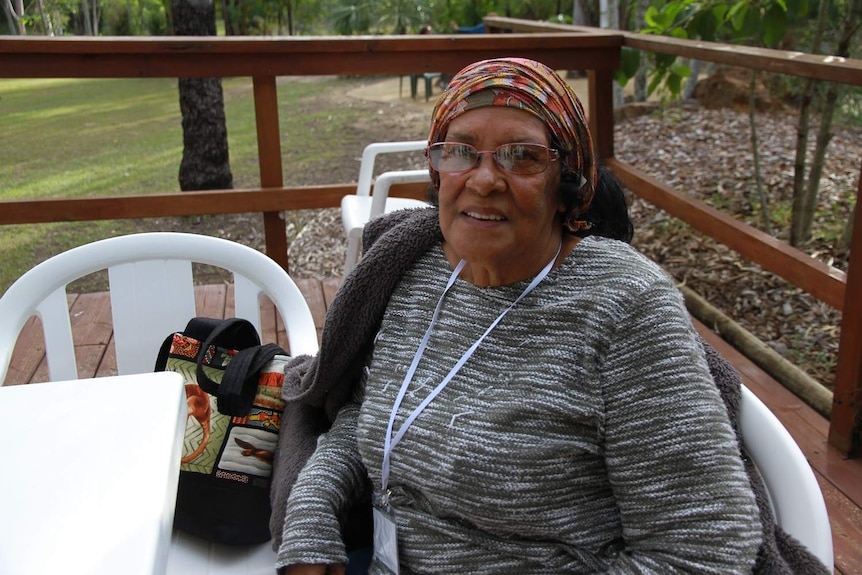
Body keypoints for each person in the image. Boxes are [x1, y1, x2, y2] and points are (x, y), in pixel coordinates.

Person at [271, 58, 772, 574]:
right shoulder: (417, 272)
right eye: (460, 152)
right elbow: (368, 413)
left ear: (566, 183)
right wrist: (312, 513)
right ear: (436, 172)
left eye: (522, 157)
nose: (484, 180)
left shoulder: (624, 306)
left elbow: (703, 547)